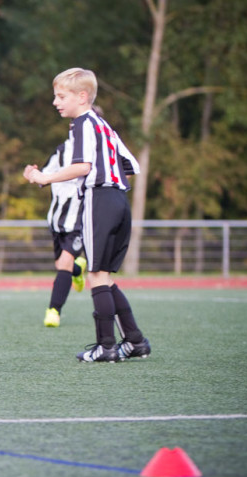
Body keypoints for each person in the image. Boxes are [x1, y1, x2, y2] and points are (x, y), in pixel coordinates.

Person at [24, 68, 151, 362]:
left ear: (82, 97)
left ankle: (106, 347)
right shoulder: (104, 125)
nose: (55, 102)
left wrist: (45, 177)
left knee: (95, 275)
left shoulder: (81, 123)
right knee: (104, 276)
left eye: (61, 96)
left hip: (100, 200)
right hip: (120, 199)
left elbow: (82, 167)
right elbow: (131, 165)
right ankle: (135, 341)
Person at [33, 140, 87, 328]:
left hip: (79, 221)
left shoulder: (96, 150)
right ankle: (78, 269)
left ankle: (54, 310)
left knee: (64, 263)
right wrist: (32, 174)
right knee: (62, 264)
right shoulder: (63, 149)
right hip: (57, 220)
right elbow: (44, 174)